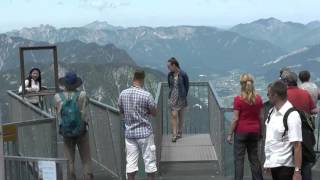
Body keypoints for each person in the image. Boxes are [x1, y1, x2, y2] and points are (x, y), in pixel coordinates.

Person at [118, 70, 157, 180]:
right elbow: (154, 112)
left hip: (129, 133)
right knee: (149, 164)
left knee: (130, 164)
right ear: (143, 79)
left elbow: (121, 110)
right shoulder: (147, 95)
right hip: (145, 133)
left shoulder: (123, 93)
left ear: (133, 78)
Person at [54, 72, 93, 180]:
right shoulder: (82, 95)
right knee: (86, 159)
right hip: (81, 130)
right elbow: (87, 103)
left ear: (65, 84)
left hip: (66, 131)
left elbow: (57, 110)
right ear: (76, 84)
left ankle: (71, 177)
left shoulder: (57, 97)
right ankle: (88, 177)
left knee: (69, 159)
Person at [227, 73, 264, 180]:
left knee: (239, 160)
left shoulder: (238, 99)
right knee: (254, 159)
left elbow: (235, 119)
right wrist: (261, 132)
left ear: (241, 85)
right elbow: (261, 117)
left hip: (241, 132)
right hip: (255, 131)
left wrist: (230, 134)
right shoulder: (258, 99)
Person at [281, 71, 317, 180]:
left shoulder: (284, 96)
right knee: (305, 163)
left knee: (288, 163)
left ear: (286, 82)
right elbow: (313, 109)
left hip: (288, 133)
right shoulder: (305, 93)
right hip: (304, 133)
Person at [264, 80, 302, 180]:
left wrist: (297, 172)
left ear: (275, 95)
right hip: (274, 164)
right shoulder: (272, 111)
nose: (267, 96)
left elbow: (297, 145)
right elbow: (270, 139)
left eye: (269, 94)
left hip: (286, 167)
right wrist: (268, 161)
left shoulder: (292, 115)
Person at [167, 57, 189, 142]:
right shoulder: (170, 75)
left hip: (181, 98)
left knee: (181, 116)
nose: (168, 68)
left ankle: (179, 132)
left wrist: (184, 95)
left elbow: (186, 86)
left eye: (169, 66)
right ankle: (174, 134)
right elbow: (170, 85)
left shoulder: (183, 74)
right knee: (174, 115)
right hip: (173, 97)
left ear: (174, 65)